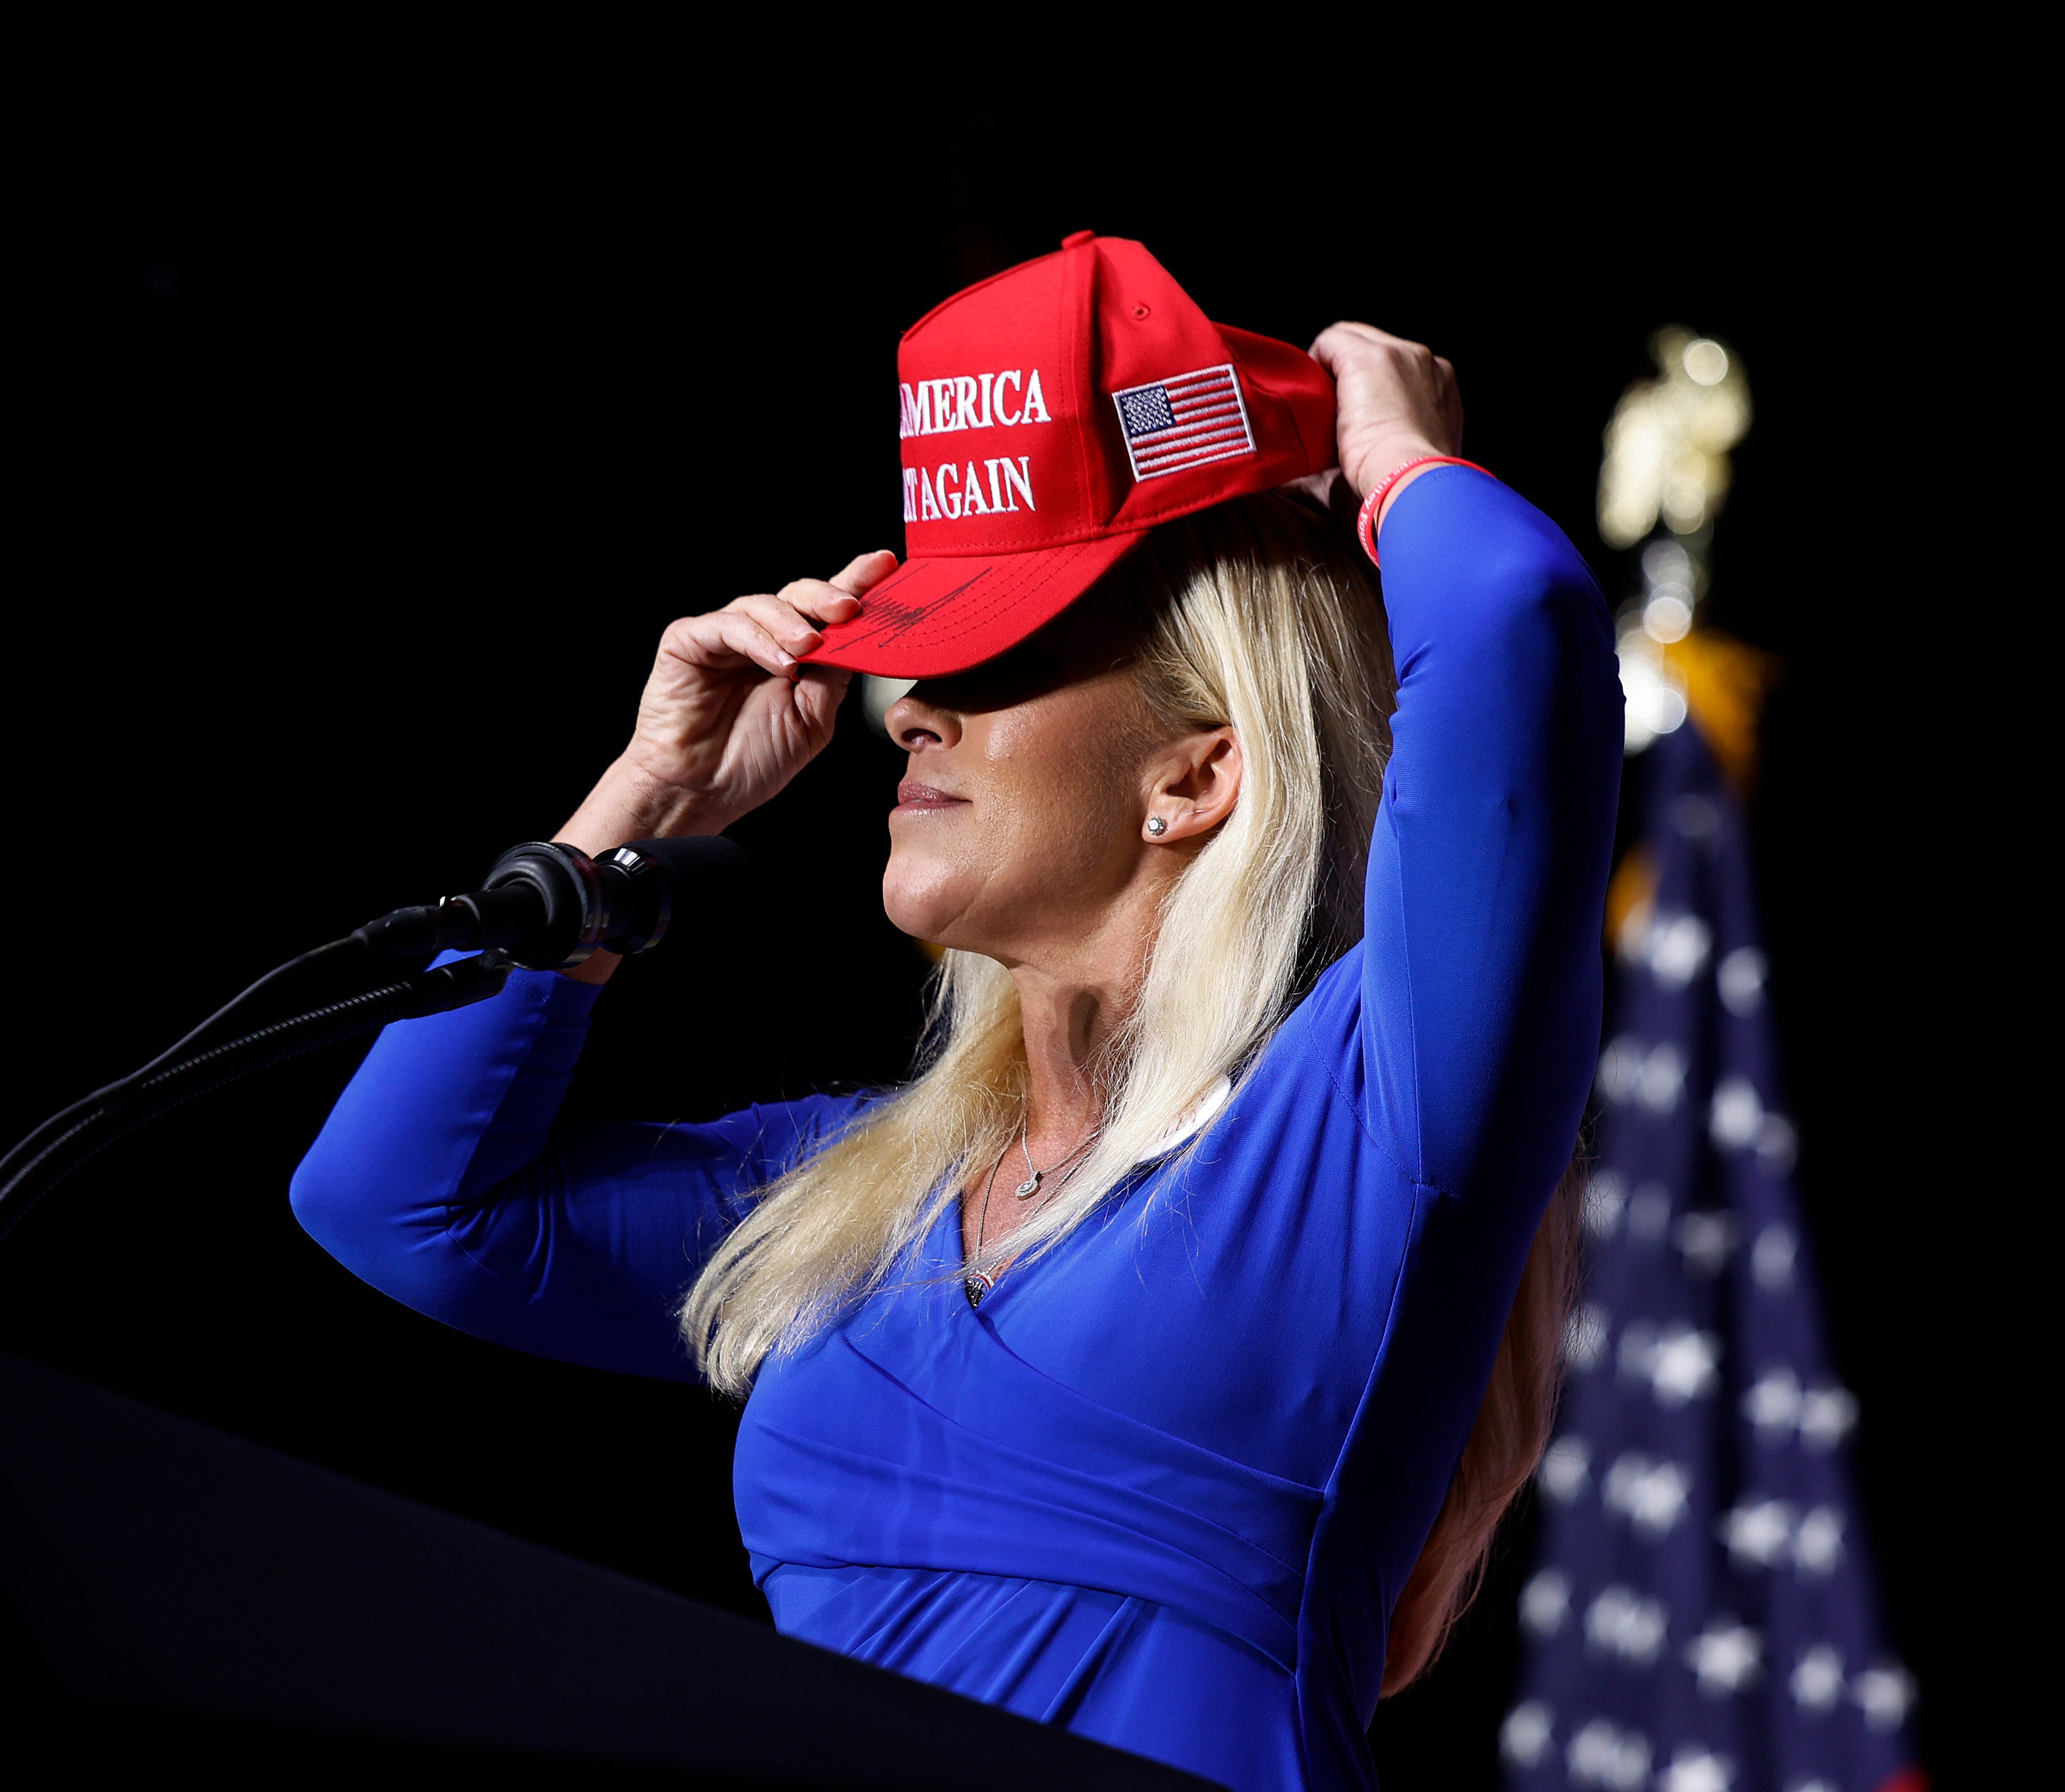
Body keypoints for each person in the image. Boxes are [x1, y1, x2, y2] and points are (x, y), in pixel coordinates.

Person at [291, 232, 1620, 1791]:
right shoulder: (850, 1204)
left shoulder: (1370, 1121)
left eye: (997, 656)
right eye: (924, 656)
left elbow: (1514, 615)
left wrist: (1392, 456)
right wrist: (645, 806)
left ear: (1197, 770)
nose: (910, 707)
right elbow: (394, 1206)